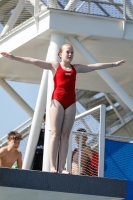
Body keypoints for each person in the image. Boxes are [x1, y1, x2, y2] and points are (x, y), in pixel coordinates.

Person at [0, 44, 125, 173]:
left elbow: (93, 67)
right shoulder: (55, 66)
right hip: (57, 101)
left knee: (65, 135)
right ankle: (53, 166)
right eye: (67, 52)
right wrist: (14, 57)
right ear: (60, 54)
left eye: (72, 52)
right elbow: (34, 61)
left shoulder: (76, 68)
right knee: (55, 134)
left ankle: (61, 168)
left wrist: (113, 64)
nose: (70, 54)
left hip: (71, 103)